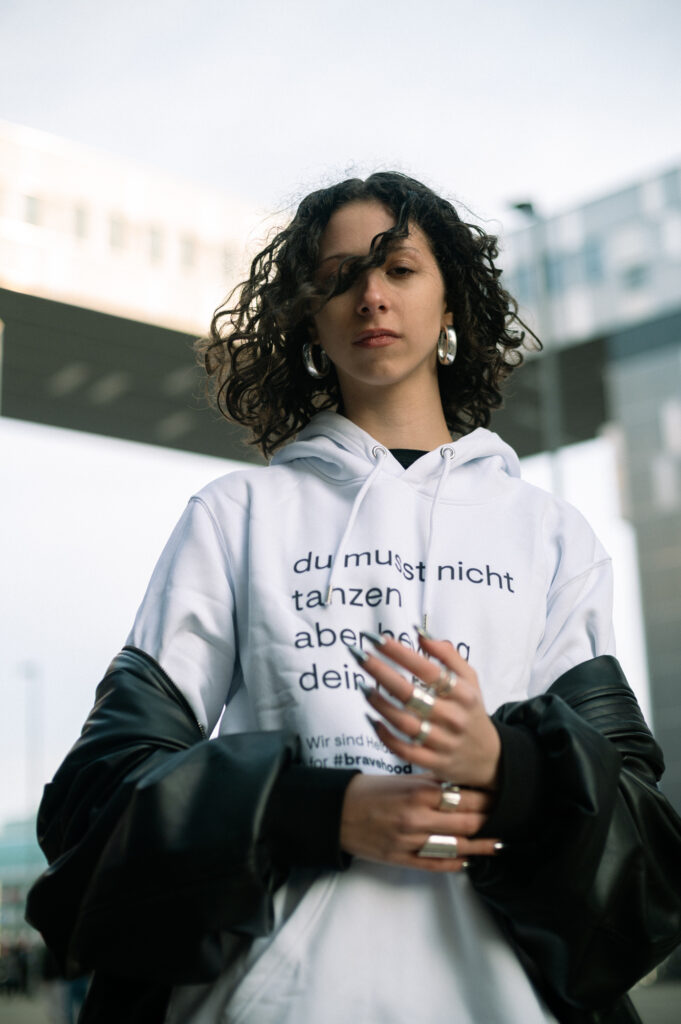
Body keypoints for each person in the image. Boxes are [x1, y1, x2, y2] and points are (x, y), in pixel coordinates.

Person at [27, 173, 681, 1024]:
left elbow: (639, 840)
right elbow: (99, 791)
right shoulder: (235, 515)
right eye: (338, 278)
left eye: (399, 270)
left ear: (450, 305)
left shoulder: (549, 533)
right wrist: (318, 810)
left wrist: (503, 765)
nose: (370, 295)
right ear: (309, 318)